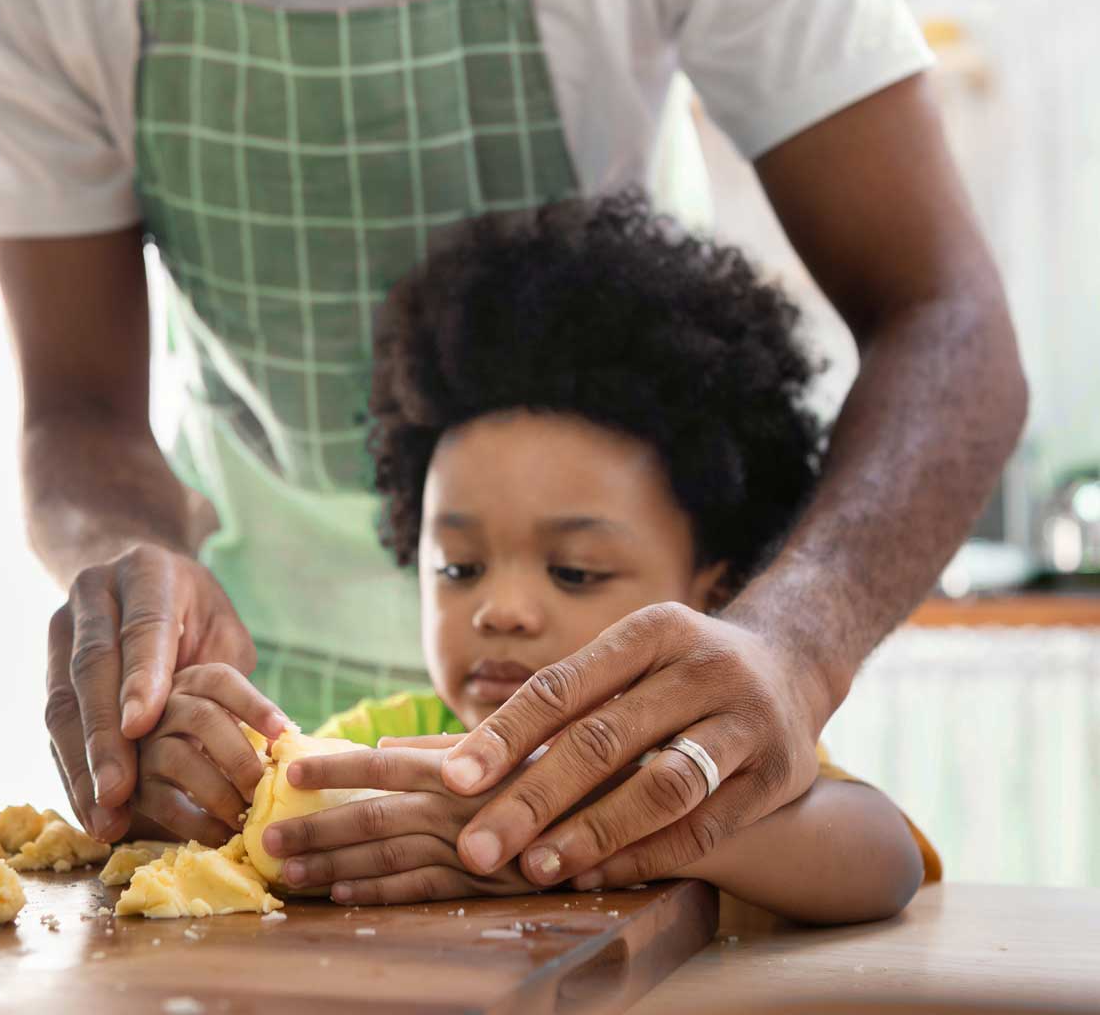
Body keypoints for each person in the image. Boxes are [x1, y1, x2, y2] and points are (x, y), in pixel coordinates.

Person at [0, 0, 1026, 884]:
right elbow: (76, 410)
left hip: (652, 693)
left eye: (571, 565)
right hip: (252, 694)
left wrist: (792, 649)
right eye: (459, 564)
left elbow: (946, 316)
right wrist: (135, 594)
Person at [134, 192, 941, 919]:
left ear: (715, 584)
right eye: (458, 567)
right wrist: (190, 777)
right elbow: (258, 830)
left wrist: (625, 820)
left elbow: (883, 860)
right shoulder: (396, 742)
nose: (501, 610)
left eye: (574, 572)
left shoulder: (713, 747)